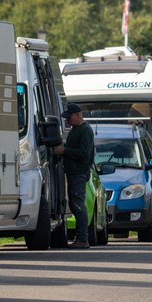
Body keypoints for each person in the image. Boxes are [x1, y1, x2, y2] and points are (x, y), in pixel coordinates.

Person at [53, 103, 95, 248]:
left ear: (78, 115)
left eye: (69, 117)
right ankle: (81, 237)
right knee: (74, 204)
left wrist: (65, 151)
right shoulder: (76, 129)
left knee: (78, 205)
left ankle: (82, 238)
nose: (67, 120)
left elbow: (84, 153)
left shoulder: (85, 131)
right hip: (74, 172)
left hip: (79, 172)